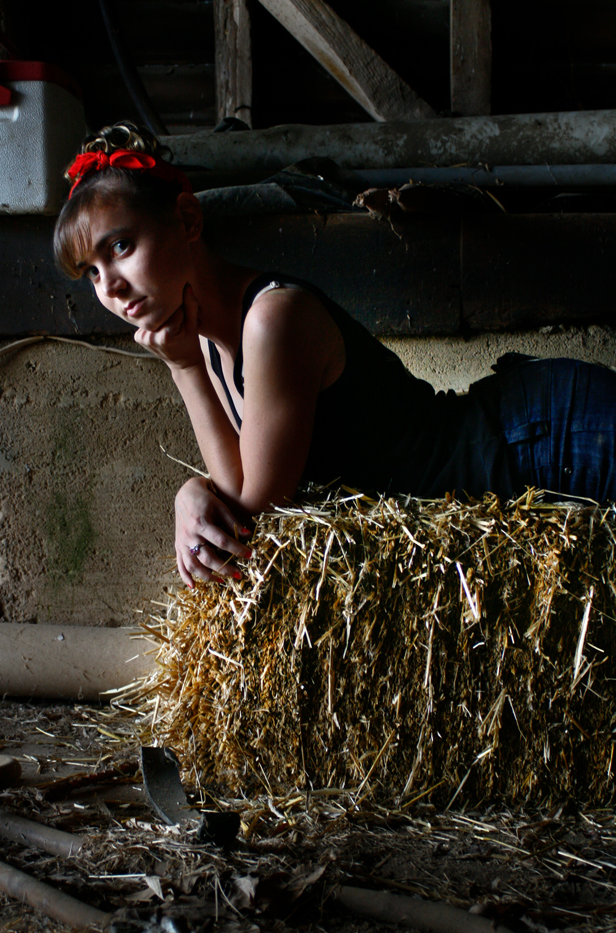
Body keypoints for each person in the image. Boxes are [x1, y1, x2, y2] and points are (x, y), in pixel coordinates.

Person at [54, 122, 616, 588]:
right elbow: (239, 497)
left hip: (543, 439)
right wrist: (191, 490)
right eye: (92, 274)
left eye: (121, 247)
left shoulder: (273, 319)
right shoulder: (202, 338)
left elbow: (259, 515)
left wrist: (182, 372)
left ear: (187, 220)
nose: (112, 288)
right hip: (521, 439)